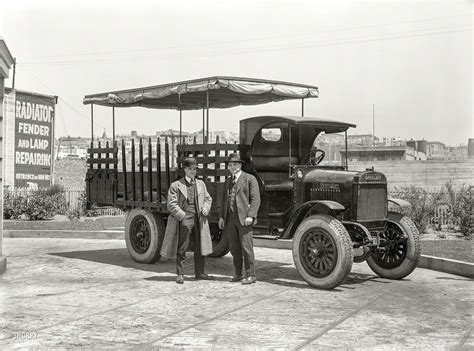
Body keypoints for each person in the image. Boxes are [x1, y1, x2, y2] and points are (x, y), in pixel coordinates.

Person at [160, 157, 215, 284]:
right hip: (185, 218)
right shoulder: (176, 185)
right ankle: (180, 274)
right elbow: (171, 204)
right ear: (184, 169)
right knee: (182, 247)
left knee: (200, 246)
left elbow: (208, 199)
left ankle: (200, 273)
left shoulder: (201, 184)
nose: (192, 171)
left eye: (194, 169)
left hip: (199, 219)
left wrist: (206, 208)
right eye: (190, 169)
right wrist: (182, 215)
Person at [218, 153, 261, 285]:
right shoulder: (227, 181)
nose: (232, 167)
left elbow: (255, 199)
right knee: (234, 248)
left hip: (244, 219)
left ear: (240, 165)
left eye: (235, 164)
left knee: (246, 247)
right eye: (230, 165)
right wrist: (221, 217)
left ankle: (251, 275)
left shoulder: (249, 179)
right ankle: (238, 273)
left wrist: (251, 215)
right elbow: (224, 200)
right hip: (230, 218)